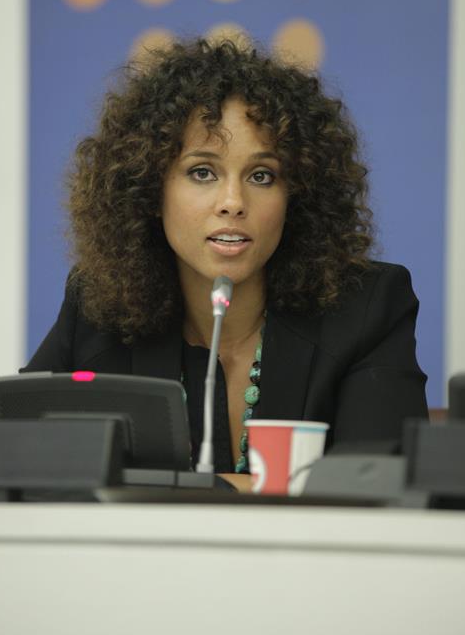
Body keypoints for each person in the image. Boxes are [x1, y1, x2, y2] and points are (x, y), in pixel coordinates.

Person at [25, 38, 428, 491]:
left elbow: (384, 486)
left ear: (296, 195)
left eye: (262, 176)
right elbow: (3, 458)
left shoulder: (367, 307)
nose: (233, 203)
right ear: (149, 191)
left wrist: (166, 490)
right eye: (202, 172)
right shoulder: (97, 308)